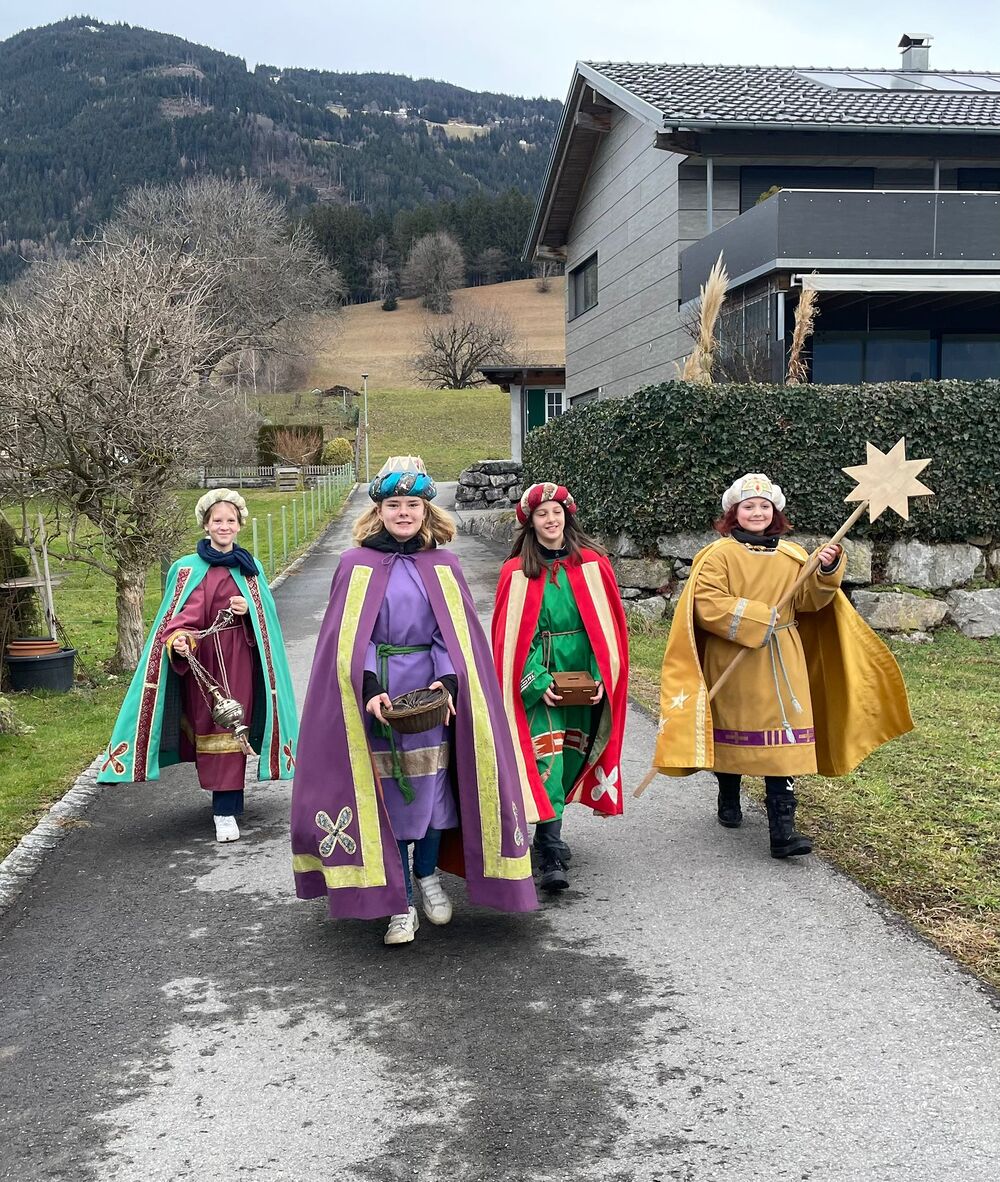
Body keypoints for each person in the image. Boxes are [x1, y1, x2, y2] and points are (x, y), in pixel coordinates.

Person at [290, 457, 536, 945]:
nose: (403, 513)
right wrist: (367, 687)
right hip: (379, 696)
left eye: (412, 505)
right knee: (387, 798)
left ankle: (426, 875)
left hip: (428, 696)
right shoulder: (354, 565)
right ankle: (399, 902)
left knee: (431, 796)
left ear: (426, 510)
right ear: (378, 511)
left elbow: (453, 634)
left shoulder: (443, 565)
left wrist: (447, 682)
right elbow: (347, 639)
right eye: (394, 505)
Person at [651, 472, 913, 858]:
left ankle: (783, 831)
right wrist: (758, 618)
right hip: (735, 658)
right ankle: (728, 795)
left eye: (764, 506)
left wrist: (824, 571)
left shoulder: (792, 555)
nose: (757, 512)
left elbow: (808, 602)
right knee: (735, 734)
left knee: (785, 741)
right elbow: (707, 604)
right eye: (748, 506)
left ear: (775, 512)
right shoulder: (719, 555)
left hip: (784, 658)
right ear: (733, 512)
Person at [98, 489, 299, 841]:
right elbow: (178, 618)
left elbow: (266, 618)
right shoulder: (187, 569)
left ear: (240, 525)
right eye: (217, 520)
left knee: (235, 725)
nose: (224, 526)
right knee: (214, 729)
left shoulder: (249, 568)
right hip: (203, 663)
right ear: (206, 525)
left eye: (231, 520)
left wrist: (249, 611)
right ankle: (225, 807)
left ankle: (226, 808)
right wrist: (179, 639)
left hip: (241, 659)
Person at [491, 482, 629, 892]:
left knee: (571, 758)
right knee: (545, 760)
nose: (551, 520)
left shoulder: (593, 564)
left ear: (567, 517)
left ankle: (548, 835)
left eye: (557, 512)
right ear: (530, 522)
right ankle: (550, 849)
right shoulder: (516, 572)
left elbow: (607, 630)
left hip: (583, 679)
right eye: (542, 514)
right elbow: (512, 640)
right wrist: (537, 680)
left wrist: (599, 677)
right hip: (542, 680)